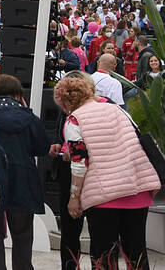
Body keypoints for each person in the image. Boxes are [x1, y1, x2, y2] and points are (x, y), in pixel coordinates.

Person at [53, 76, 160, 269]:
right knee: (136, 254)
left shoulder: (74, 120)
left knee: (105, 257)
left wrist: (74, 197)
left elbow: (79, 163)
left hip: (103, 197)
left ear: (66, 101)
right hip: (136, 189)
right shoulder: (117, 109)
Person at [0, 75, 49, 270]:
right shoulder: (28, 117)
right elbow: (42, 148)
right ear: (18, 94)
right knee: (23, 234)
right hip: (24, 179)